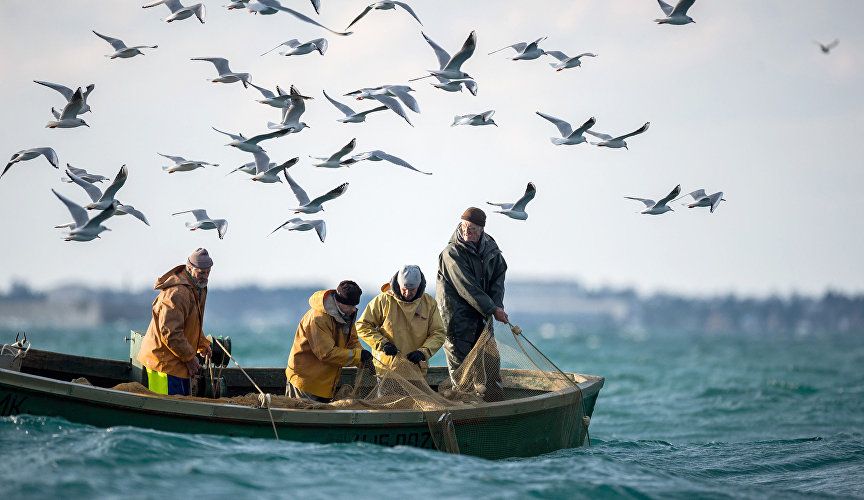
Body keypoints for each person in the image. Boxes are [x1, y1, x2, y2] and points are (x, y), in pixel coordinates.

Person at [436, 207, 509, 401]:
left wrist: (498, 305)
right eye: (464, 226)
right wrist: (492, 309)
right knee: (463, 376)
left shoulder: (492, 250)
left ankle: (495, 406)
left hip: (482, 322)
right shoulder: (451, 253)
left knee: (491, 366)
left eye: (472, 229)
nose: (467, 231)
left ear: (482, 230)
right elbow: (467, 287)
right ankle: (465, 412)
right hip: (456, 324)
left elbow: (498, 279)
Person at [138, 248, 213, 396]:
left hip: (178, 361)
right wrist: (190, 358)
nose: (205, 276)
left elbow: (190, 323)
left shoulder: (197, 288)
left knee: (182, 406)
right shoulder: (178, 293)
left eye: (208, 272)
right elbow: (170, 333)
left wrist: (202, 344)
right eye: (201, 273)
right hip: (164, 364)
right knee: (167, 409)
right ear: (190, 269)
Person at [285, 280, 374, 403]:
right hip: (305, 383)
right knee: (305, 419)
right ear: (339, 302)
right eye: (351, 306)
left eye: (355, 306)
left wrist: (364, 359)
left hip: (324, 384)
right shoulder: (318, 319)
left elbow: (352, 341)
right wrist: (358, 356)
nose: (354, 309)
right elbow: (326, 353)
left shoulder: (347, 314)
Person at [356, 265, 446, 376]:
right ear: (398, 284)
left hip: (416, 371)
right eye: (404, 289)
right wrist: (383, 344)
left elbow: (439, 333)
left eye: (412, 290)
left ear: (419, 286)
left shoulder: (429, 303)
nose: (408, 293)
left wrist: (423, 352)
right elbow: (362, 326)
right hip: (386, 371)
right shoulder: (383, 300)